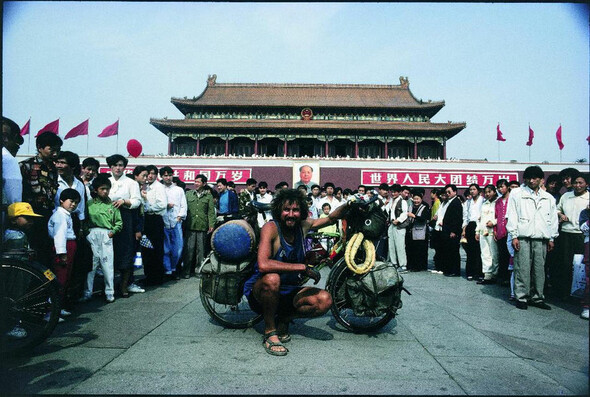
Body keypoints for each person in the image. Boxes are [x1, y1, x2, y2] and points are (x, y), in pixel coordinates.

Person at [242, 188, 350, 356]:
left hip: (288, 292)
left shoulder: (303, 226)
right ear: (279, 210)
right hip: (263, 294)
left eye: (295, 210)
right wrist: (302, 267)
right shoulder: (271, 228)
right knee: (272, 278)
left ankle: (284, 319)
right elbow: (263, 264)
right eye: (286, 210)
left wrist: (350, 204)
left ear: (302, 212)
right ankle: (270, 331)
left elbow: (330, 218)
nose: (291, 214)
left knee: (324, 300)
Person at [506, 166, 558, 310]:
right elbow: (512, 215)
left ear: (542, 180)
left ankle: (537, 297)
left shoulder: (548, 198)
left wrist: (552, 237)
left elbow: (553, 219)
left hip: (541, 237)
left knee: (539, 269)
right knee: (522, 268)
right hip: (523, 236)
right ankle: (522, 297)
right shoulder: (517, 193)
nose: (532, 180)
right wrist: (514, 235)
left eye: (535, 178)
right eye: (529, 178)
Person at [19, 131, 63, 267]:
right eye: (51, 149)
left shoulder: (53, 169)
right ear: (40, 147)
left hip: (47, 216)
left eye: (57, 150)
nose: (55, 154)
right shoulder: (26, 166)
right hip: (30, 215)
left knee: (45, 252)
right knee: (30, 252)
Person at [3, 202, 43, 337]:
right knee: (15, 297)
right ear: (14, 220)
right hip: (16, 273)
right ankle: (13, 326)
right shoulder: (16, 236)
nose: (30, 221)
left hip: (19, 272)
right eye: (26, 218)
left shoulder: (15, 233)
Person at [81, 175, 122, 303]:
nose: (105, 191)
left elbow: (119, 223)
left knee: (107, 264)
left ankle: (109, 292)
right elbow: (85, 220)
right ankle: (87, 292)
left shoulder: (113, 205)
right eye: (102, 189)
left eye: (107, 189)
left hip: (106, 234)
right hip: (92, 233)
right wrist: (87, 232)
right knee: (91, 265)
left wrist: (113, 232)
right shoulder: (89, 204)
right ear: (96, 190)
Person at [106, 154, 142, 296]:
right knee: (109, 252)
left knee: (126, 252)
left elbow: (137, 201)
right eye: (115, 165)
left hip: (126, 219)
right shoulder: (106, 181)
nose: (118, 168)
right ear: (110, 167)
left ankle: (124, 286)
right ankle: (109, 288)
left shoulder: (131, 183)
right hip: (107, 219)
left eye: (121, 165)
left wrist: (124, 201)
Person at [553, 174, 589, 300]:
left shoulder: (588, 198)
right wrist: (560, 215)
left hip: (581, 235)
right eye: (575, 183)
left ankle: (580, 293)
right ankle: (565, 293)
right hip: (566, 234)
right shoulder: (566, 196)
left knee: (580, 265)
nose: (577, 185)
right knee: (565, 264)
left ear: (586, 184)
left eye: (580, 183)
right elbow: (557, 209)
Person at [48, 188, 81, 314]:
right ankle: (50, 312)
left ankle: (58, 308)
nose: (73, 204)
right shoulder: (60, 215)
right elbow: (59, 235)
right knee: (60, 278)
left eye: (76, 202)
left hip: (70, 245)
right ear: (61, 200)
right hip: (64, 247)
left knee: (65, 278)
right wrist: (62, 253)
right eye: (71, 201)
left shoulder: (66, 214)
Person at [183, 174, 215, 279]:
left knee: (201, 250)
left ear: (204, 184)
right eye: (195, 181)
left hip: (202, 226)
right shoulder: (188, 194)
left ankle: (199, 270)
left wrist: (211, 225)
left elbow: (211, 212)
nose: (196, 184)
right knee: (189, 249)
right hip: (190, 225)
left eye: (198, 182)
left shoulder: (208, 196)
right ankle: (187, 271)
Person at [141, 165, 167, 286]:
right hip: (147, 220)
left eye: (152, 173)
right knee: (147, 248)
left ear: (156, 175)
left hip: (156, 219)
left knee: (156, 249)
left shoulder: (159, 187)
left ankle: (157, 277)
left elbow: (162, 204)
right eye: (148, 174)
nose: (150, 176)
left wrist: (150, 208)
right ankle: (149, 275)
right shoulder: (147, 187)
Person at [160, 166, 187, 279]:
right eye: (165, 175)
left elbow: (183, 205)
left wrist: (180, 216)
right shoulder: (159, 189)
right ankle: (167, 270)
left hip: (176, 222)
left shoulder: (178, 190)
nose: (168, 177)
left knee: (178, 248)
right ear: (161, 176)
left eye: (170, 175)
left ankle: (174, 268)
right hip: (163, 222)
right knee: (166, 248)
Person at [475, 184, 499, 284]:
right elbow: (479, 218)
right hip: (483, 231)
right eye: (486, 192)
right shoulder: (484, 204)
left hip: (492, 232)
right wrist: (477, 231)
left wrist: (493, 222)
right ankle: (487, 275)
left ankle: (495, 274)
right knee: (485, 254)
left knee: (494, 254)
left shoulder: (498, 202)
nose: (487, 194)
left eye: (490, 192)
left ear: (494, 192)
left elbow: (501, 217)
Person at [462, 183, 483, 281]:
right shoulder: (467, 202)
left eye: (474, 189)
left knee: (479, 251)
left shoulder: (483, 201)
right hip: (470, 226)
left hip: (480, 225)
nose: (472, 191)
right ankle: (470, 272)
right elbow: (465, 217)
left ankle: (479, 273)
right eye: (470, 189)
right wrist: (464, 229)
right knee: (470, 251)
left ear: (478, 190)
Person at [441, 184, 463, 277]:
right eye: (446, 192)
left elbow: (457, 219)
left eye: (449, 192)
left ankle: (455, 271)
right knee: (449, 251)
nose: (447, 194)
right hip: (447, 231)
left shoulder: (456, 202)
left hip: (453, 232)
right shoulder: (449, 202)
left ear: (455, 192)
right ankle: (449, 269)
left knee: (454, 252)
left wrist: (454, 231)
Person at [2, 117, 24, 209]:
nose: (5, 140)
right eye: (3, 135)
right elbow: (14, 198)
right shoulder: (7, 158)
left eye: (6, 136)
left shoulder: (7, 158)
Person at [406, 191, 430, 272]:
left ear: (421, 199)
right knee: (412, 248)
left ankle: (419, 266)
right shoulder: (410, 206)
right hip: (411, 231)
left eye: (418, 199)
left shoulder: (424, 207)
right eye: (414, 199)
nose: (416, 201)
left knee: (419, 249)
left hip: (420, 231)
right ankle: (411, 265)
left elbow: (424, 219)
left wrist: (414, 216)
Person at [388, 184, 409, 271]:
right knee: (391, 245)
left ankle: (403, 265)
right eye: (392, 192)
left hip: (399, 226)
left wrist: (398, 220)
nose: (393, 194)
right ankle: (394, 263)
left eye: (395, 192)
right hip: (392, 225)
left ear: (399, 192)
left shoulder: (403, 201)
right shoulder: (391, 201)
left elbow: (405, 213)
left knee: (400, 246)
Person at [494, 179, 511, 285]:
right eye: (499, 187)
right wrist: (495, 230)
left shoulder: (513, 199)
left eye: (502, 186)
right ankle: (503, 277)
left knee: (510, 255)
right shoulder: (498, 201)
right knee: (502, 255)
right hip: (500, 231)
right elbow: (496, 216)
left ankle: (510, 278)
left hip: (510, 231)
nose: (500, 189)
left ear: (508, 187)